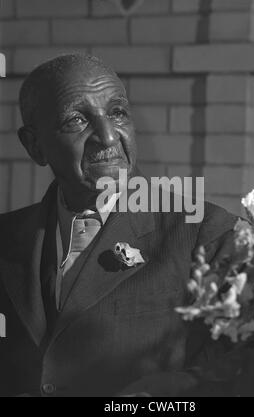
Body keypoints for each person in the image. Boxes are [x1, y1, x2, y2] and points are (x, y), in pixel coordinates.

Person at [0, 54, 237, 397]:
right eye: (77, 120)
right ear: (35, 145)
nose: (108, 137)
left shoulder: (205, 232)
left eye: (117, 112)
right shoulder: (6, 238)